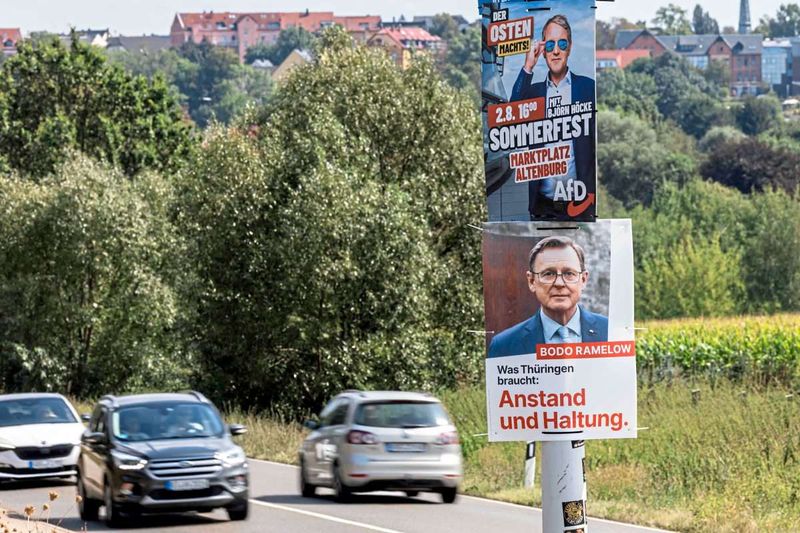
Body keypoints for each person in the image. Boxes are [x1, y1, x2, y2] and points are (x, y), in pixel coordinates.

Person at [509, 14, 596, 220]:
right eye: (549, 45)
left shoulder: (588, 88)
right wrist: (528, 66)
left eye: (562, 43)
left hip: (581, 205)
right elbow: (511, 117)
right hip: (542, 208)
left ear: (570, 47)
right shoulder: (534, 94)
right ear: (543, 50)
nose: (556, 51)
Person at [487, 235, 607, 358]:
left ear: (583, 279)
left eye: (569, 273)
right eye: (548, 274)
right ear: (532, 281)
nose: (559, 283)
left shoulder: (613, 333)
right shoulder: (503, 346)